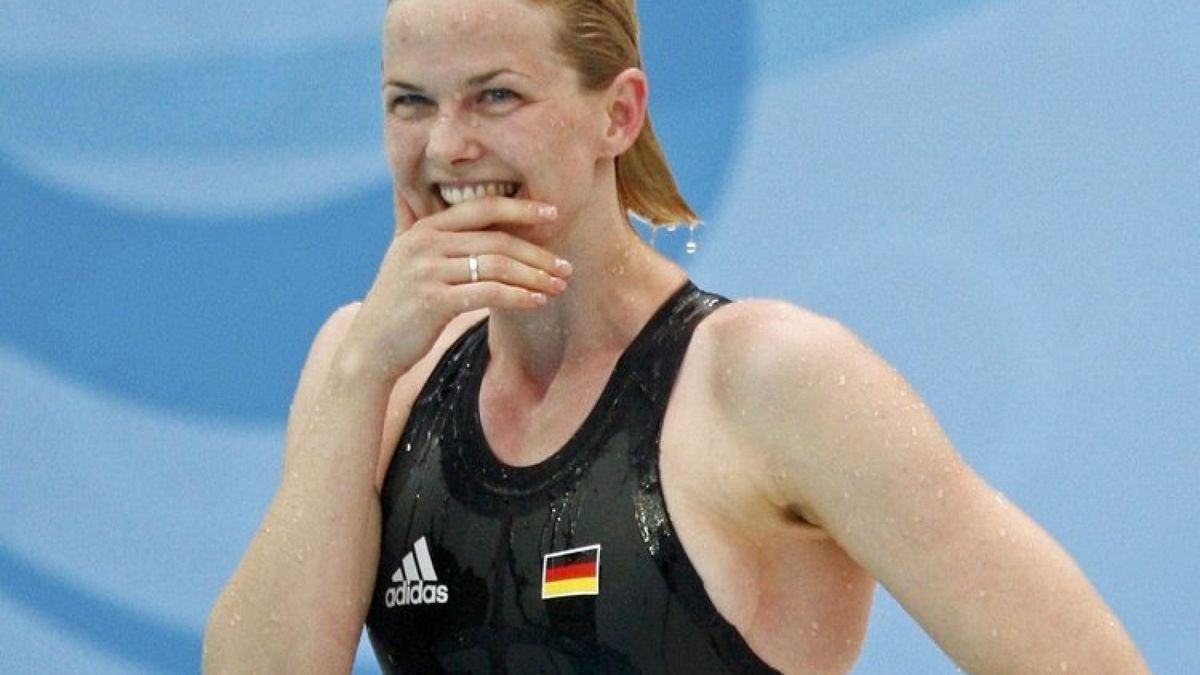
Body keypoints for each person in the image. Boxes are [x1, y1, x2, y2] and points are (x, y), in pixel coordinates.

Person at [203, 0, 1149, 672]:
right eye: (411, 100)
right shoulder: (370, 369)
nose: (446, 145)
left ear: (618, 113)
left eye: (496, 96)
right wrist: (365, 368)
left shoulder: (769, 383)